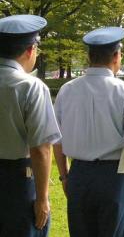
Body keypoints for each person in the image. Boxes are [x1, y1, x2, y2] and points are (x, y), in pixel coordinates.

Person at [53, 27, 124, 237]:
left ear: (89, 56)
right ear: (116, 56)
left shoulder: (67, 90)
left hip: (79, 175)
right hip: (114, 177)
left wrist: (64, 176)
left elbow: (57, 140)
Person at [0, 15, 62, 236]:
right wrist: (42, 198)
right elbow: (41, 148)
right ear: (30, 50)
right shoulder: (31, 87)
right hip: (17, 181)